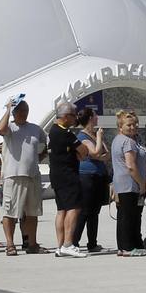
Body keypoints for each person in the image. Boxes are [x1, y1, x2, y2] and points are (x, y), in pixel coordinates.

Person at [0, 97, 45, 255]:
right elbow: (0, 129)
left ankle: (32, 244)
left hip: (33, 176)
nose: (24, 114)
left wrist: (40, 157)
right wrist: (8, 108)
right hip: (14, 175)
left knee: (32, 212)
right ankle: (10, 244)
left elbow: (46, 144)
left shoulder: (36, 128)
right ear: (15, 113)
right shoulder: (10, 128)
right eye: (21, 111)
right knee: (10, 212)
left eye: (26, 111)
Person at [46, 102, 92, 259]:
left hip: (57, 175)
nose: (76, 118)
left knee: (62, 210)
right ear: (65, 117)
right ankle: (68, 244)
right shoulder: (65, 133)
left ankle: (60, 246)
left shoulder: (52, 131)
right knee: (74, 208)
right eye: (74, 115)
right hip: (68, 175)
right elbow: (84, 151)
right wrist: (78, 152)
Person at [113, 110, 146, 257]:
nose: (133, 127)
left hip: (124, 184)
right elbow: (130, 166)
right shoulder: (128, 141)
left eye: (135, 124)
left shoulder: (119, 139)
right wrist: (142, 183)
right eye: (129, 125)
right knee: (128, 216)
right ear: (120, 126)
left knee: (128, 215)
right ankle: (127, 247)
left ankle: (130, 244)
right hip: (130, 185)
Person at [72, 109, 110, 253]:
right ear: (89, 118)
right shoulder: (82, 136)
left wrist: (98, 149)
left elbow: (106, 153)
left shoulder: (93, 135)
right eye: (95, 115)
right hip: (86, 176)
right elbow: (94, 152)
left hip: (98, 176)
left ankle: (92, 243)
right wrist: (99, 137)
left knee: (95, 211)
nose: (97, 117)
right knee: (85, 211)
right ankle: (74, 243)